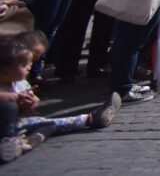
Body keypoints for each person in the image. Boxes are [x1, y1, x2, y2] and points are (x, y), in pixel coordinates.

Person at [0, 35, 120, 163]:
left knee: (47, 124)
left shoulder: (21, 84)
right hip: (6, 129)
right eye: (24, 65)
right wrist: (14, 97)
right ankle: (11, 143)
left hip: (20, 123)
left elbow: (29, 109)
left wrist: (31, 103)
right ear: (5, 71)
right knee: (10, 107)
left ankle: (89, 119)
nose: (29, 67)